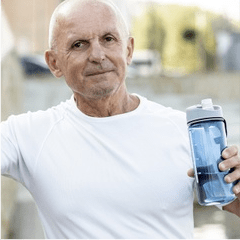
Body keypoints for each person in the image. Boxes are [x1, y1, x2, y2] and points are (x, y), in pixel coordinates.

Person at [0, 0, 239, 238]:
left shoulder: (186, 130)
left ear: (128, 50)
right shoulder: (27, 135)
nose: (97, 55)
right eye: (78, 44)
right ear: (54, 63)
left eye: (108, 39)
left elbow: (234, 204)